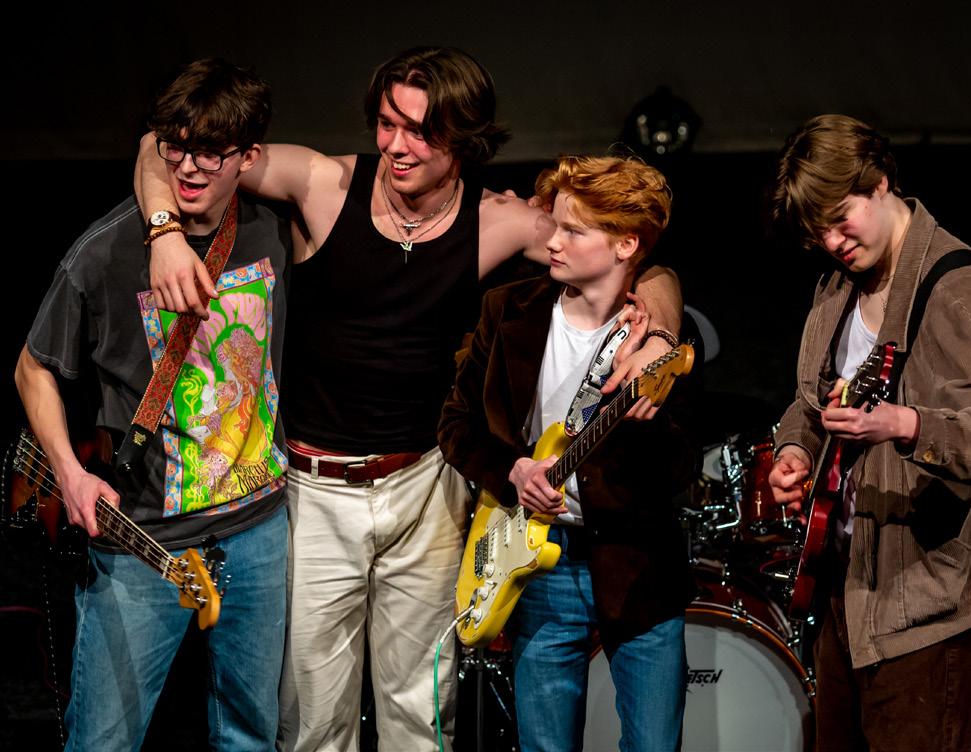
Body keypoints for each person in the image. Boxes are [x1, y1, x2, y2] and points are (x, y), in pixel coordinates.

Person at [135, 47, 683, 751]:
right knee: (314, 721)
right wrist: (164, 233)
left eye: (421, 132)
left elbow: (636, 257)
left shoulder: (499, 220)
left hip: (426, 489)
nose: (397, 144)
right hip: (315, 489)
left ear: (463, 139)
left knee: (422, 719)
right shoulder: (325, 183)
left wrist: (660, 326)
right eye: (388, 123)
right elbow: (160, 145)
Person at [14, 59, 290, 750]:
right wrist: (69, 473)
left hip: (257, 532)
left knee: (251, 736)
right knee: (103, 740)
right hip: (144, 545)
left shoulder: (270, 231)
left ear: (249, 157)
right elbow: (32, 368)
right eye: (176, 146)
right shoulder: (105, 252)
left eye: (211, 151)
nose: (189, 167)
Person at [768, 114, 971, 751]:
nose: (832, 242)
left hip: (926, 602)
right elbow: (810, 402)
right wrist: (795, 450)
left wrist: (905, 424)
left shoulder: (960, 289)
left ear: (879, 181)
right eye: (818, 232)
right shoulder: (837, 287)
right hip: (846, 589)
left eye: (840, 218)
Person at [439, 155, 700, 752]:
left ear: (626, 244)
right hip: (537, 565)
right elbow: (456, 423)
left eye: (573, 231)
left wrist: (643, 417)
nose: (552, 241)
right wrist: (513, 470)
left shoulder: (662, 342)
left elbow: (681, 466)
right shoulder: (507, 309)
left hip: (637, 570)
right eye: (555, 225)